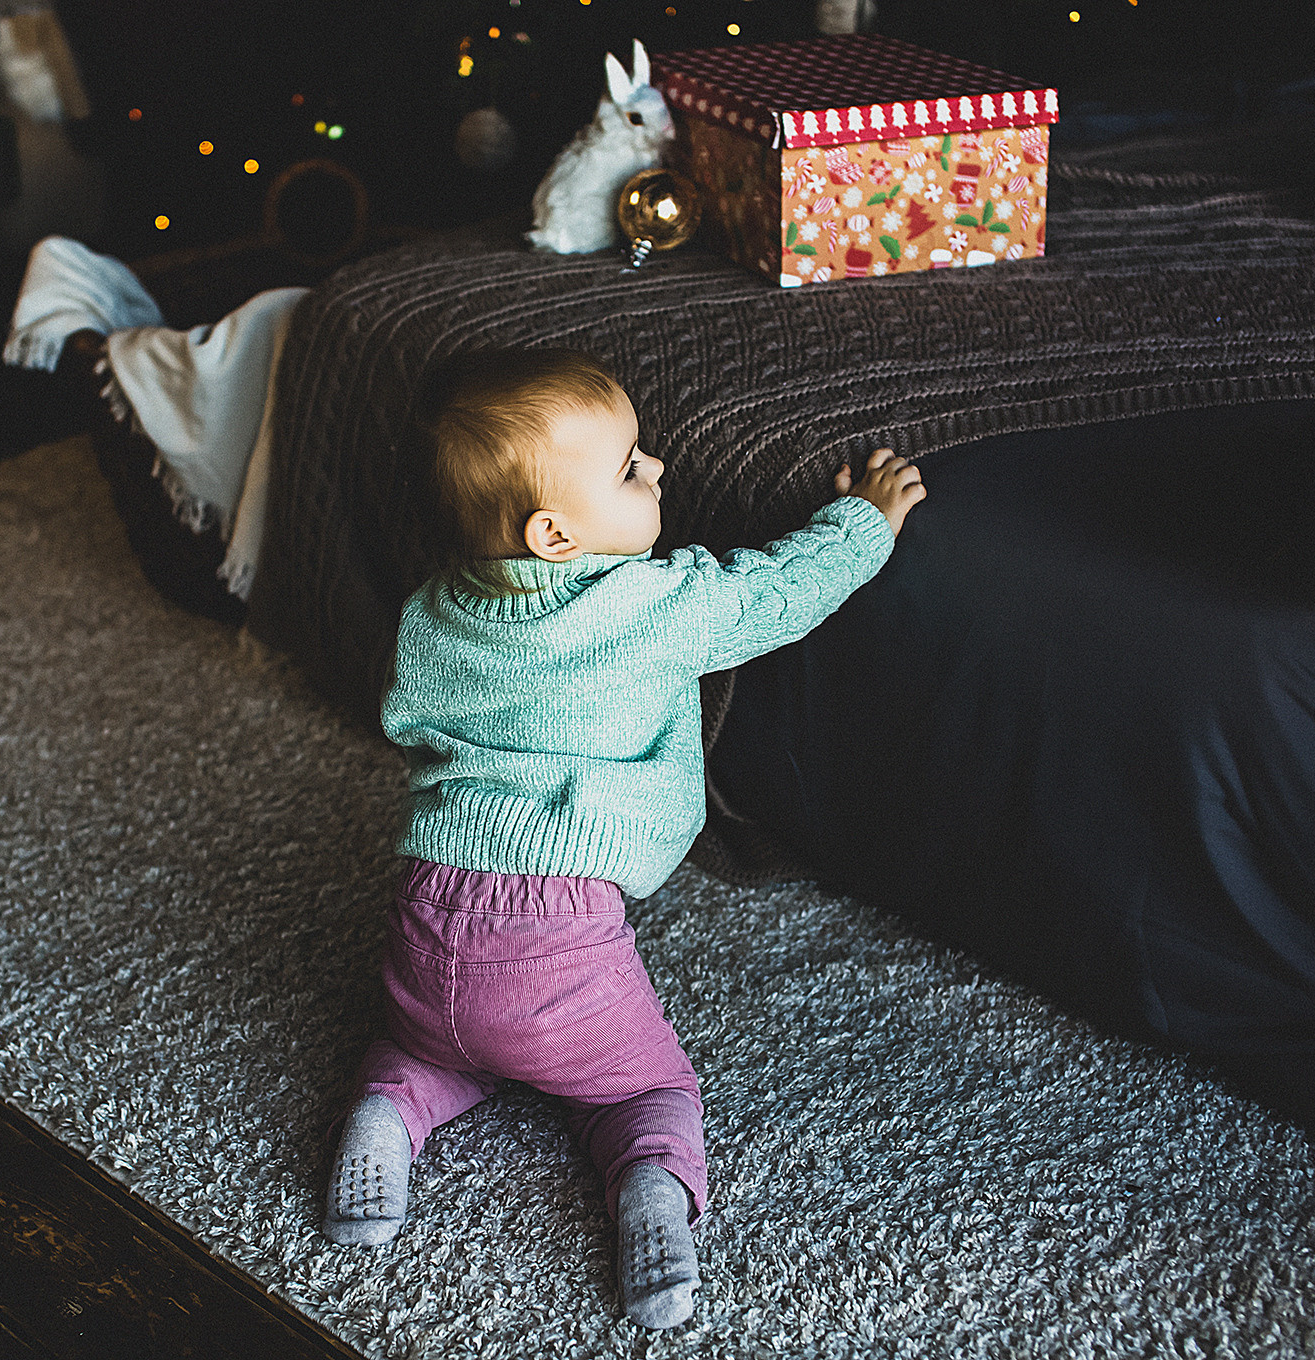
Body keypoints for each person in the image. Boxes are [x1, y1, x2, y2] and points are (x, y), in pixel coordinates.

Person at [320, 347, 926, 1329]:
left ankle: (385, 1114)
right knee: (645, 1086)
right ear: (557, 533)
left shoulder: (431, 612)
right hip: (559, 942)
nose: (658, 471)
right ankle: (650, 1190)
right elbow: (773, 592)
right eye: (629, 466)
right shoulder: (652, 604)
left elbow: (405, 715)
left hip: (425, 918)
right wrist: (866, 521)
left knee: (432, 1047)